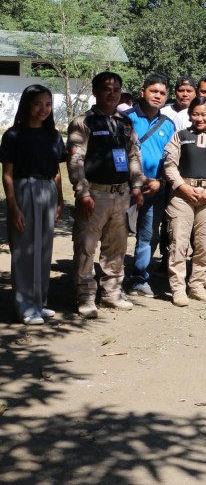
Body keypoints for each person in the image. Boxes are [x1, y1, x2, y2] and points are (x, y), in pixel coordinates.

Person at [67, 71, 145, 317]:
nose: (112, 94)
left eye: (116, 89)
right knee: (86, 247)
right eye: (106, 89)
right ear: (95, 92)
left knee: (116, 248)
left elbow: (133, 155)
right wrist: (83, 193)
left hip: (121, 195)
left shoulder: (125, 122)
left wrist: (137, 186)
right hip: (95, 195)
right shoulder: (84, 122)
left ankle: (112, 292)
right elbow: (76, 159)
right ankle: (86, 297)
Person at [1, 85, 65, 324]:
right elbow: (7, 174)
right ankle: (25, 307)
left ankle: (39, 302)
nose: (44, 109)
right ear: (27, 104)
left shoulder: (54, 135)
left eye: (48, 104)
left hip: (47, 190)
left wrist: (60, 199)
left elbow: (57, 170)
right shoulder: (13, 135)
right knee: (25, 250)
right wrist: (14, 206)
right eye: (38, 104)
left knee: (44, 249)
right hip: (24, 189)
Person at [162, 96, 206, 307]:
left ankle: (197, 286)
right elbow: (169, 164)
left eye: (204, 114)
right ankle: (177, 288)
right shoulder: (180, 136)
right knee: (179, 243)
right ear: (189, 114)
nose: (200, 118)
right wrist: (182, 187)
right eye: (195, 113)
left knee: (205, 244)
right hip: (182, 195)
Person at [124, 73, 176, 298]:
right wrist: (137, 179)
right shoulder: (125, 119)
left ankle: (139, 279)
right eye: (153, 91)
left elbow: (172, 160)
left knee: (148, 235)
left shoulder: (168, 124)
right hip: (124, 187)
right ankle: (112, 280)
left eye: (162, 93)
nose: (158, 96)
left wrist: (161, 182)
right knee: (114, 235)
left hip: (155, 189)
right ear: (142, 91)